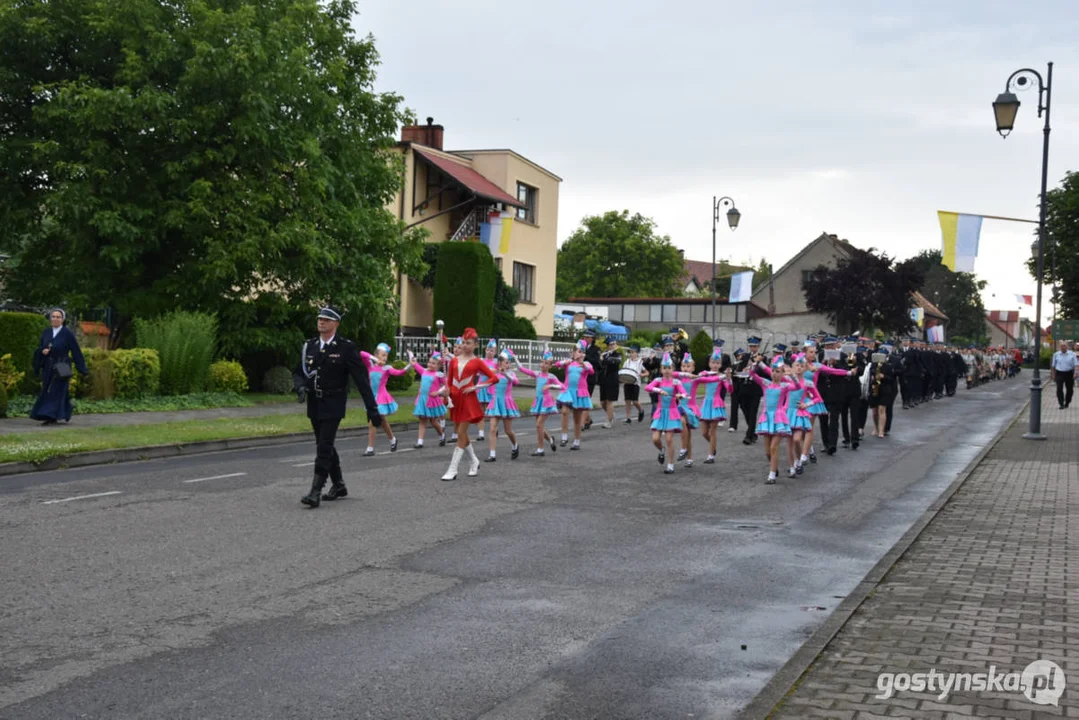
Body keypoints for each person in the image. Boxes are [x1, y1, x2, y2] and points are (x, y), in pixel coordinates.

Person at [292, 306, 381, 508]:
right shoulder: (311, 346)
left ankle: (315, 491)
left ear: (336, 324)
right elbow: (299, 372)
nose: (321, 322)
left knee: (324, 446)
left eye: (326, 319)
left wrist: (372, 408)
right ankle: (339, 484)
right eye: (319, 319)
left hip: (334, 402)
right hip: (315, 402)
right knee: (324, 444)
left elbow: (361, 380)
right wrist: (299, 387)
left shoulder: (346, 348)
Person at [441, 328, 499, 481]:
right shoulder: (454, 360)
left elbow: (494, 378)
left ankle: (453, 469)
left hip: (468, 400)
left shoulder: (477, 362)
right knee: (462, 433)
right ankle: (474, 461)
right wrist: (446, 394)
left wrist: (476, 386)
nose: (465, 346)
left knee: (460, 433)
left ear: (475, 345)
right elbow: (449, 381)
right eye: (464, 343)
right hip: (456, 399)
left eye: (469, 343)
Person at [30, 308, 88, 425]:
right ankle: (60, 413)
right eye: (53, 317)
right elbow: (39, 347)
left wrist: (82, 368)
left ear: (63, 319)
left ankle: (51, 416)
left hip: (63, 365)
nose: (55, 319)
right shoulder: (46, 332)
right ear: (50, 318)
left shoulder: (67, 333)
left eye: (58, 317)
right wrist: (42, 351)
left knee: (58, 390)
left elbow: (76, 351)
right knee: (48, 389)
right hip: (48, 365)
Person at [749, 356, 792, 484]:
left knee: (774, 447)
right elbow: (752, 375)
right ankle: (775, 467)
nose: (774, 373)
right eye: (773, 370)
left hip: (778, 418)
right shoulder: (766, 383)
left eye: (778, 371)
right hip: (767, 417)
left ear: (782, 373)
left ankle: (772, 475)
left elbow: (796, 386)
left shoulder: (785, 386)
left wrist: (791, 375)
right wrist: (755, 364)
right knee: (767, 451)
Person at [359, 342, 408, 456]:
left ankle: (370, 448)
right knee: (382, 421)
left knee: (373, 422)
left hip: (381, 398)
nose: (384, 358)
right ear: (376, 355)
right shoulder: (370, 365)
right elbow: (361, 353)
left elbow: (400, 372)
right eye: (382, 355)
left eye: (386, 355)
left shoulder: (387, 368)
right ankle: (393, 440)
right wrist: (374, 359)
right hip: (372, 397)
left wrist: (410, 365)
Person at [643, 353, 687, 475]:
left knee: (669, 439)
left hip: (672, 412)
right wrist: (659, 390)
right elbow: (648, 387)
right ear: (661, 369)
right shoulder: (658, 380)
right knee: (655, 438)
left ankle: (670, 465)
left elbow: (684, 393)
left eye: (669, 368)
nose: (667, 371)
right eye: (664, 368)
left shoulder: (676, 382)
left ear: (673, 369)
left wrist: (680, 395)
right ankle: (661, 450)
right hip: (661, 412)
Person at [513, 351, 563, 456]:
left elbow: (562, 386)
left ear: (550, 366)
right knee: (539, 426)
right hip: (538, 401)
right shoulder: (537, 374)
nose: (543, 365)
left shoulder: (551, 377)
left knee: (539, 424)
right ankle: (550, 439)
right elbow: (522, 369)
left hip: (547, 402)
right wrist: (515, 358)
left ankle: (540, 449)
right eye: (542, 362)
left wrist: (550, 386)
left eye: (546, 363)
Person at [555, 340, 595, 450]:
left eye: (583, 352)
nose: (581, 354)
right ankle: (564, 436)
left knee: (577, 419)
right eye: (579, 351)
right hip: (568, 391)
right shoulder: (569, 363)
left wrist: (584, 365)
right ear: (573, 353)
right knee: (564, 412)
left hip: (579, 392)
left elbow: (591, 371)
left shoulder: (586, 364)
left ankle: (577, 441)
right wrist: (564, 363)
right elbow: (557, 364)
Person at [483, 349, 521, 461]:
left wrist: (505, 374)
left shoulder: (511, 374)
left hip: (507, 403)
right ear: (500, 363)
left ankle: (515, 445)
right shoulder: (494, 372)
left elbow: (516, 382)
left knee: (507, 430)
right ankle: (492, 454)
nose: (508, 364)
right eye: (506, 362)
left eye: (509, 362)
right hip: (495, 402)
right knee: (492, 428)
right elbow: (483, 374)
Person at [407, 350, 447, 448]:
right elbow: (414, 364)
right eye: (429, 362)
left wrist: (438, 392)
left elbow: (446, 385)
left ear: (438, 366)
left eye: (433, 363)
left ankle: (442, 435)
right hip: (422, 400)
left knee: (433, 421)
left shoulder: (439, 375)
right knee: (422, 420)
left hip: (432, 400)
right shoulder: (424, 371)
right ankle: (420, 442)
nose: (430, 364)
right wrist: (411, 355)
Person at [476, 339, 499, 441]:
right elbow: (476, 372)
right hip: (481, 388)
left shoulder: (496, 362)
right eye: (488, 350)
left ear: (495, 352)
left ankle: (494, 428)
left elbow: (495, 372)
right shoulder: (480, 361)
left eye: (492, 350)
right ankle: (481, 433)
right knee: (480, 411)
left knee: (490, 412)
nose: (489, 352)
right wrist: (487, 371)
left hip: (491, 388)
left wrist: (484, 371)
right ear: (485, 350)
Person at [597, 336, 623, 428]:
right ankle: (611, 414)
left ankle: (608, 420)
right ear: (608, 346)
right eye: (611, 344)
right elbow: (599, 365)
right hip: (604, 380)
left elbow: (615, 362)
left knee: (609, 401)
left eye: (614, 344)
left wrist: (603, 359)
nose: (613, 346)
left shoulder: (618, 354)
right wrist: (601, 359)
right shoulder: (604, 354)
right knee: (602, 402)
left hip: (612, 379)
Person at [620, 344, 646, 424]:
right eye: (630, 352)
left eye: (633, 352)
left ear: (637, 353)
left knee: (635, 401)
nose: (632, 354)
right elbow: (623, 370)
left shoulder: (640, 362)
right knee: (627, 401)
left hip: (635, 383)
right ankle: (628, 418)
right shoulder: (627, 361)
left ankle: (641, 410)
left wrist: (642, 375)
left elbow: (647, 372)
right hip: (627, 382)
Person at [582, 330, 601, 429]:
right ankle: (588, 419)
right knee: (581, 400)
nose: (585, 339)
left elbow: (597, 362)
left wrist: (586, 356)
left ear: (592, 339)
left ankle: (583, 423)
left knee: (586, 399)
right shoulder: (581, 348)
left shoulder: (596, 349)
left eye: (587, 337)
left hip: (590, 377)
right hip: (581, 377)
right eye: (584, 337)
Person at [1051, 339, 1076, 409]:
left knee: (1070, 389)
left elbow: (1076, 365)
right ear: (1060, 347)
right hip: (1059, 373)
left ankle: (1067, 402)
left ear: (1067, 347)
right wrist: (1053, 375)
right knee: (1059, 389)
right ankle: (1061, 403)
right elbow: (1053, 366)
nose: (1063, 347)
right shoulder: (1056, 355)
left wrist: (1075, 373)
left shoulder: (1072, 354)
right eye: (1061, 346)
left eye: (1064, 346)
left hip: (1069, 373)